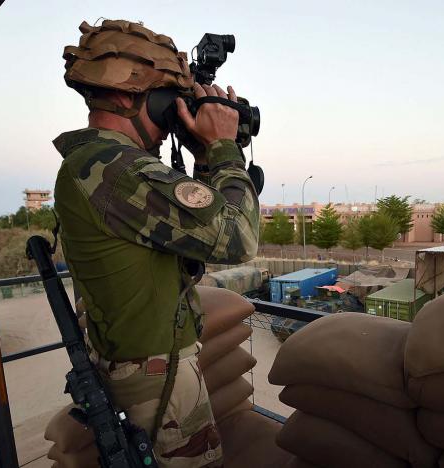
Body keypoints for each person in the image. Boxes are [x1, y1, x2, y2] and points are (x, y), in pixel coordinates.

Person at [52, 20, 259, 467]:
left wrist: (203, 157)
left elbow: (193, 242)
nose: (173, 119)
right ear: (127, 95)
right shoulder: (117, 168)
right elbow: (237, 238)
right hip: (158, 377)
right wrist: (223, 147)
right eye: (168, 102)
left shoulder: (103, 165)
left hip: (147, 366)